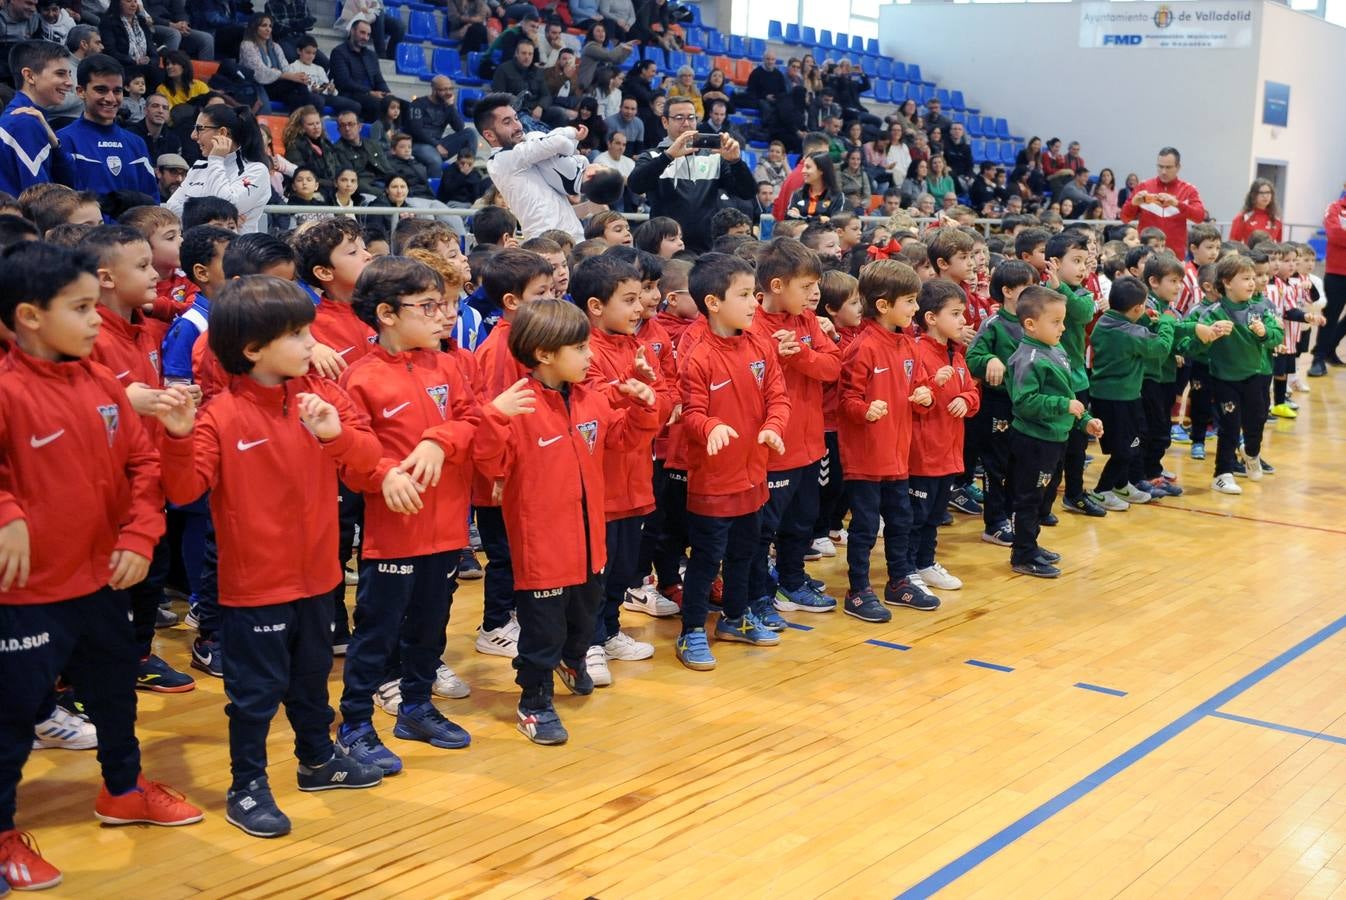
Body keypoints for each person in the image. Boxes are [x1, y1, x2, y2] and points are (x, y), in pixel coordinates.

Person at [0, 241, 205, 892]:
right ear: (29, 316)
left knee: (116, 694)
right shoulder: (6, 390)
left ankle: (122, 789)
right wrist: (6, 511)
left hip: (100, 580)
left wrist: (142, 534)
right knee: (11, 720)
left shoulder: (102, 380)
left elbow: (143, 466)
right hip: (25, 594)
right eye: (82, 308)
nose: (97, 321)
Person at [159, 275, 387, 838]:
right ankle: (248, 785)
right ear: (252, 349)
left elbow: (366, 465)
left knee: (312, 680)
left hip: (319, 578)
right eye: (297, 334)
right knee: (256, 695)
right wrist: (178, 436)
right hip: (254, 585)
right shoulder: (219, 415)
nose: (312, 344)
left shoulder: (321, 399)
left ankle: (317, 760)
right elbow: (185, 492)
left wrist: (335, 436)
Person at [473, 297, 656, 740]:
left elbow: (623, 439)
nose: (590, 356)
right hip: (542, 548)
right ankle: (534, 701)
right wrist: (494, 419)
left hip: (591, 539)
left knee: (584, 619)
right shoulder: (516, 406)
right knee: (543, 631)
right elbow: (485, 461)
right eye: (580, 348)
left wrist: (643, 404)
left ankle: (573, 660)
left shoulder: (590, 399)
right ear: (544, 354)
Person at [333, 256, 477, 773]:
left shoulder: (449, 365)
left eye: (445, 305)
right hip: (394, 534)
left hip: (447, 527)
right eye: (429, 306)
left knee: (432, 627)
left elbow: (471, 420)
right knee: (377, 631)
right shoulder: (360, 378)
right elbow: (351, 455)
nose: (443, 316)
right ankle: (353, 724)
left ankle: (416, 708)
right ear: (388, 314)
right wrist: (384, 474)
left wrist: (440, 441)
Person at [669, 252, 788, 670]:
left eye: (754, 294)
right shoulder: (698, 353)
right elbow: (692, 411)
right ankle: (691, 632)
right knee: (706, 559)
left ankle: (735, 619)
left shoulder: (760, 342)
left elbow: (778, 396)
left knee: (747, 552)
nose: (755, 302)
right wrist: (710, 428)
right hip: (713, 479)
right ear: (713, 303)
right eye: (744, 295)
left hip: (754, 471)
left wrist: (774, 425)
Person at [567, 254, 669, 686]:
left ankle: (608, 631)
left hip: (636, 481)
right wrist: (628, 393)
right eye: (628, 300)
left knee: (624, 567)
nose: (639, 307)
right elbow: (592, 412)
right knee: (594, 570)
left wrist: (646, 396)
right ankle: (584, 643)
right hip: (599, 487)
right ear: (595, 306)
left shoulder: (639, 348)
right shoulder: (582, 353)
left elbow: (661, 403)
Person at [744, 236, 838, 627]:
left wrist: (801, 354)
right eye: (806, 286)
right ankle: (757, 594)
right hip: (772, 448)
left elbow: (833, 369)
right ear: (777, 286)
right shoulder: (749, 323)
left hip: (810, 444)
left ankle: (791, 581)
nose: (814, 294)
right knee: (764, 528)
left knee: (802, 521)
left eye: (816, 285)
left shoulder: (808, 322)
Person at [836, 257, 937, 621]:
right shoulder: (862, 347)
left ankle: (898, 581)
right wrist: (864, 410)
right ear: (882, 305)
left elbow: (918, 385)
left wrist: (924, 396)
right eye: (909, 301)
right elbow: (845, 399)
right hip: (866, 458)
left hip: (899, 453)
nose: (916, 308)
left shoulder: (908, 344)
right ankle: (858, 590)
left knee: (901, 520)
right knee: (864, 527)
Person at [1004, 285, 1103, 578]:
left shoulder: (1055, 349)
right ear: (1031, 325)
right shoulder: (1028, 359)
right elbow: (1024, 402)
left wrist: (1084, 419)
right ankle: (1022, 553)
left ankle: (1031, 545)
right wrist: (1064, 405)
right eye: (1056, 322)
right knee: (1028, 498)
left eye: (1063, 321)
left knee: (1041, 496)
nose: (1063, 327)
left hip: (1055, 438)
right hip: (1033, 441)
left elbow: (1067, 391)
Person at [907, 279, 979, 591]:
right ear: (931, 318)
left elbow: (971, 391)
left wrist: (966, 400)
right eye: (956, 313)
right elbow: (914, 401)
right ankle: (907, 568)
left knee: (935, 515)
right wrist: (933, 389)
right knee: (915, 517)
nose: (964, 320)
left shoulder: (956, 355)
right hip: (923, 453)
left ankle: (925, 563)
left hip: (949, 451)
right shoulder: (917, 352)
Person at [1137, 253, 1226, 493]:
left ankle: (1153, 470)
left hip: (1166, 377)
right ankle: (1143, 475)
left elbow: (1182, 347)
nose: (1179, 287)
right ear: (1154, 281)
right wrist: (1195, 328)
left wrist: (1207, 339)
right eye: (1173, 281)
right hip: (1148, 378)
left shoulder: (1170, 310)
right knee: (1150, 430)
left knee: (1162, 429)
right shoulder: (1146, 307)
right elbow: (1163, 330)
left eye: (1180, 281)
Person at [1086, 275, 1175, 510]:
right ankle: (1102, 490)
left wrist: (1148, 321)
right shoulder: (1129, 333)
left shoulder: (1105, 323)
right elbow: (1160, 348)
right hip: (1117, 399)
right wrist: (1166, 322)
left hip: (1119, 396)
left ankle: (1121, 483)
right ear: (1136, 308)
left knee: (1134, 441)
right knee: (1124, 449)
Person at [1197, 255, 1283, 493]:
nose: (1251, 283)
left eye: (1252, 278)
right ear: (1226, 282)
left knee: (1256, 422)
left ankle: (1252, 453)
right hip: (1224, 379)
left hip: (1254, 377)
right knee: (1229, 426)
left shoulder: (1259, 308)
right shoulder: (1214, 312)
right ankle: (1222, 473)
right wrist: (1209, 334)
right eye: (1245, 278)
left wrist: (1265, 333)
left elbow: (1277, 335)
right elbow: (1195, 343)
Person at [628, 97, 755, 253]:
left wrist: (736, 162)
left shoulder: (714, 157)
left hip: (706, 249)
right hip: (664, 249)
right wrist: (668, 156)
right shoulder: (653, 156)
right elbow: (635, 185)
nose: (686, 123)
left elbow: (746, 192)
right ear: (665, 122)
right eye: (679, 118)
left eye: (691, 118)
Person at [967, 259, 1034, 546]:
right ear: (1007, 291)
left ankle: (1012, 515)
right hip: (997, 405)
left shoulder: (1033, 323)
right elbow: (972, 358)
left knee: (1019, 464)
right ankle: (995, 522)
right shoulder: (994, 324)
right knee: (997, 466)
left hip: (1024, 406)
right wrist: (990, 359)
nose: (1034, 294)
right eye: (1027, 289)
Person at [476, 93, 591, 242]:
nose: (518, 126)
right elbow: (555, 143)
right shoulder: (500, 161)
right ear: (490, 135)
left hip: (572, 235)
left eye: (516, 118)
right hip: (547, 243)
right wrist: (572, 133)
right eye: (507, 122)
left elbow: (557, 151)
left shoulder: (523, 151)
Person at [59, 54, 160, 201]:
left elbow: (152, 203)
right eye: (101, 90)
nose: (111, 98)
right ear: (81, 91)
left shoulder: (136, 144)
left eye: (117, 91)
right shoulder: (64, 140)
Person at [166, 104, 272, 234]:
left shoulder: (256, 171)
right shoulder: (198, 167)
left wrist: (216, 159)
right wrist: (217, 219)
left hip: (236, 251)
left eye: (200, 128)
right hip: (196, 249)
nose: (193, 135)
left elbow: (227, 205)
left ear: (222, 132)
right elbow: (172, 208)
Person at [0, 41, 75, 197]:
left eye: (70, 74)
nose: (70, 83)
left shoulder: (33, 119)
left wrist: (55, 142)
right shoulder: (23, 122)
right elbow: (40, 203)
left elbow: (69, 183)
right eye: (60, 74)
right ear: (30, 76)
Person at [1119, 147, 1207, 259]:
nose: (1164, 171)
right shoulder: (1143, 186)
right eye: (1160, 167)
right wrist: (1133, 204)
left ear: (1178, 167)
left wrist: (1177, 204)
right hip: (1145, 257)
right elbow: (1124, 218)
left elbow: (1199, 217)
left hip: (1175, 257)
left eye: (1168, 167)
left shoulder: (1188, 189)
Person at [239, 13, 322, 114]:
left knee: (298, 92)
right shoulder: (247, 45)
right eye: (264, 26)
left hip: (276, 85)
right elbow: (260, 72)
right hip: (258, 84)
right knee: (301, 92)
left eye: (270, 26)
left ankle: (300, 122)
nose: (268, 29)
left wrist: (297, 76)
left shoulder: (275, 46)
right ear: (254, 27)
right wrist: (287, 75)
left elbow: (286, 68)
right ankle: (307, 118)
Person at [407, 76, 478, 175]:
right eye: (444, 89)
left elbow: (459, 128)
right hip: (418, 145)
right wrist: (436, 145)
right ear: (434, 90)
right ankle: (434, 189)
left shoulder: (447, 105)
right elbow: (416, 131)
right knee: (435, 160)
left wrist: (451, 107)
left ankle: (466, 172)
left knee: (469, 133)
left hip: (439, 144)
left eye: (450, 89)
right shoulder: (418, 104)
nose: (448, 93)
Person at [1311, 188, 1346, 377]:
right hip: (1337, 273)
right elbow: (1334, 234)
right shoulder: (1335, 208)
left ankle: (1330, 348)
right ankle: (1318, 358)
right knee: (1330, 317)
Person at [330, 19, 391, 123]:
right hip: (350, 94)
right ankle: (375, 135)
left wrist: (388, 93)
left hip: (371, 94)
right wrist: (369, 92)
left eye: (368, 34)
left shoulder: (371, 55)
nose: (365, 37)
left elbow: (378, 79)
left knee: (401, 104)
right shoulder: (339, 52)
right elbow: (344, 82)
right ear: (352, 31)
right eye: (362, 33)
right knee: (376, 103)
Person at [334, 108, 395, 199]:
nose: (347, 128)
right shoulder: (337, 149)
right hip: (363, 191)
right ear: (339, 130)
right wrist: (384, 193)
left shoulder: (373, 144)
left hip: (383, 183)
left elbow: (388, 169)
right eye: (343, 125)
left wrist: (396, 183)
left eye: (351, 124)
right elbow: (351, 181)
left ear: (359, 126)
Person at [492, 38, 548, 114]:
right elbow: (499, 96)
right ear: (516, 54)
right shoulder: (503, 69)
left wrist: (540, 107)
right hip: (515, 111)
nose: (527, 57)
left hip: (536, 110)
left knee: (559, 114)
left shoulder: (538, 71)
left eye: (530, 54)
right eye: (524, 53)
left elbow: (546, 95)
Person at [786, 151, 843, 222]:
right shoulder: (797, 194)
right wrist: (819, 219)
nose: (803, 171)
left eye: (808, 167)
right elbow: (790, 221)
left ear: (821, 170)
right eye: (804, 166)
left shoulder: (837, 196)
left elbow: (835, 224)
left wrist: (800, 218)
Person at [578, 21, 633, 91]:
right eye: (598, 31)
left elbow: (617, 61)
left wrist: (627, 51)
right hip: (588, 86)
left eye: (603, 31)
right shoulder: (590, 47)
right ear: (592, 34)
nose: (601, 33)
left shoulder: (604, 49)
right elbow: (609, 56)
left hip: (600, 85)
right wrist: (621, 46)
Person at [1230, 178, 1283, 244]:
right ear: (1253, 195)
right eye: (1261, 193)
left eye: (1268, 192)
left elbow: (1279, 243)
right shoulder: (1243, 218)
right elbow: (1233, 244)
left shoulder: (1276, 218)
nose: (1265, 196)